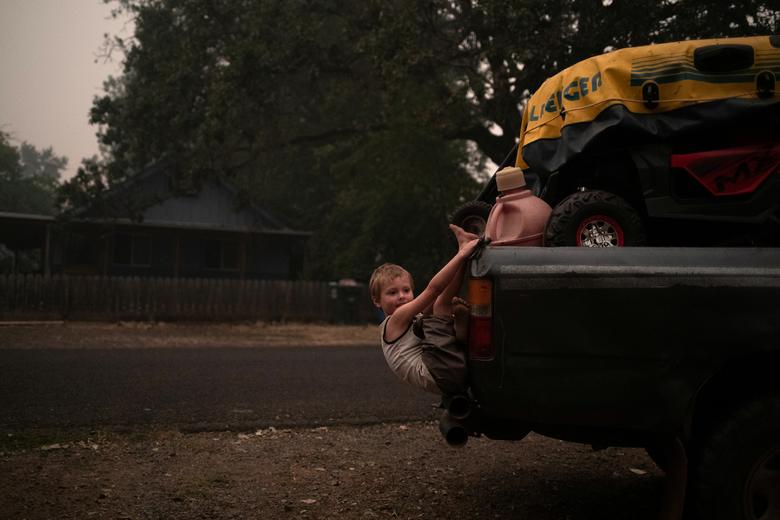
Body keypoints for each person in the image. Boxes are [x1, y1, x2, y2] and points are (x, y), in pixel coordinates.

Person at [369, 224, 480, 396]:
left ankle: (459, 332)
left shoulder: (412, 318)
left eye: (406, 290)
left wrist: (463, 257)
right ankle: (459, 332)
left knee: (438, 307)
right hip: (438, 372)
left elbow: (441, 293)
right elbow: (433, 290)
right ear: (377, 301)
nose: (401, 296)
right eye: (392, 292)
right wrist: (462, 254)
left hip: (446, 372)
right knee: (439, 307)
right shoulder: (395, 320)